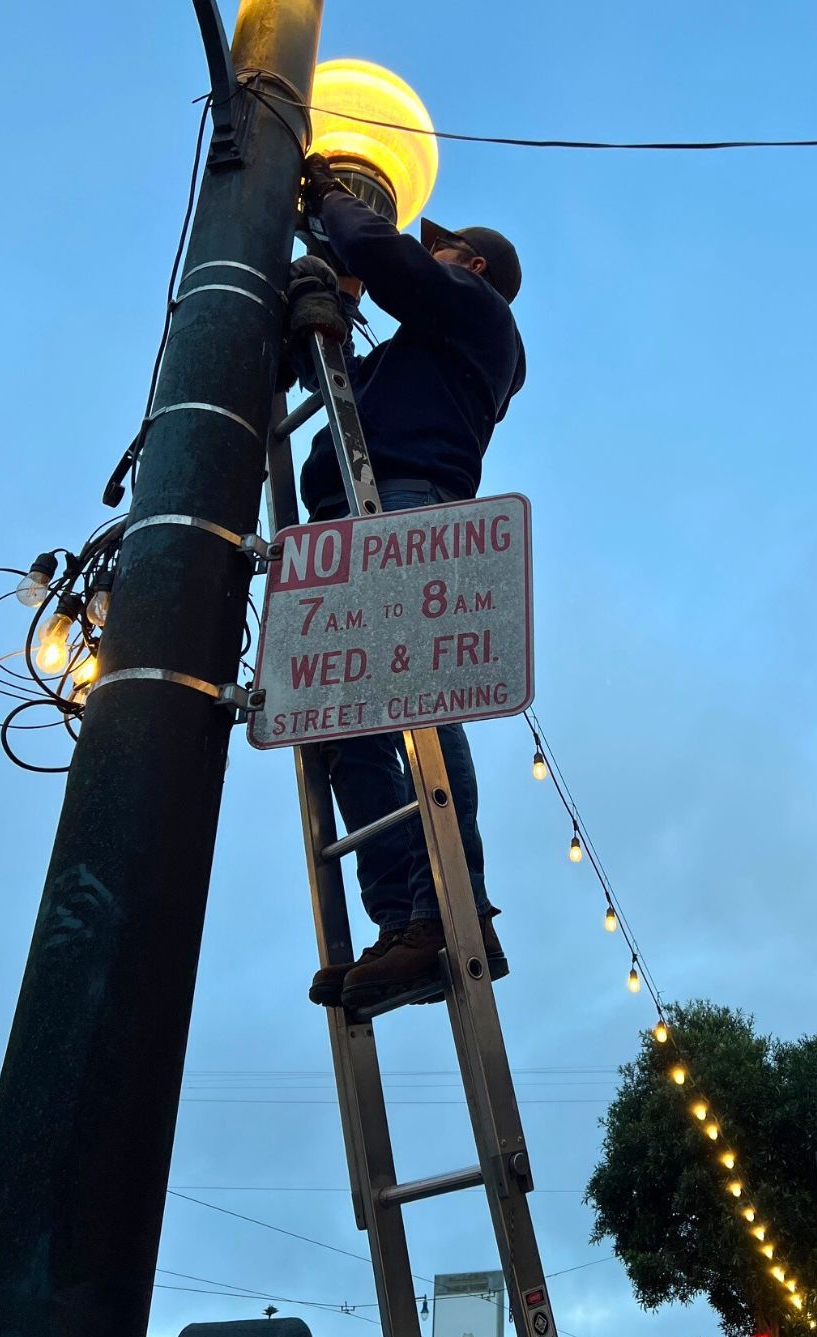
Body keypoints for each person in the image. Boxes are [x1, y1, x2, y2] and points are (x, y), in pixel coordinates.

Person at [297, 154, 526, 1009]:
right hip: (349, 510)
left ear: (473, 264)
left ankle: (447, 912)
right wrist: (327, 308)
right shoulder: (419, 353)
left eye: (443, 248)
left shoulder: (481, 314)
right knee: (343, 730)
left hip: (401, 501)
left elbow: (391, 257)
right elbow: (330, 376)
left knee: (415, 701)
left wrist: (333, 200)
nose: (431, 254)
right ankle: (402, 925)